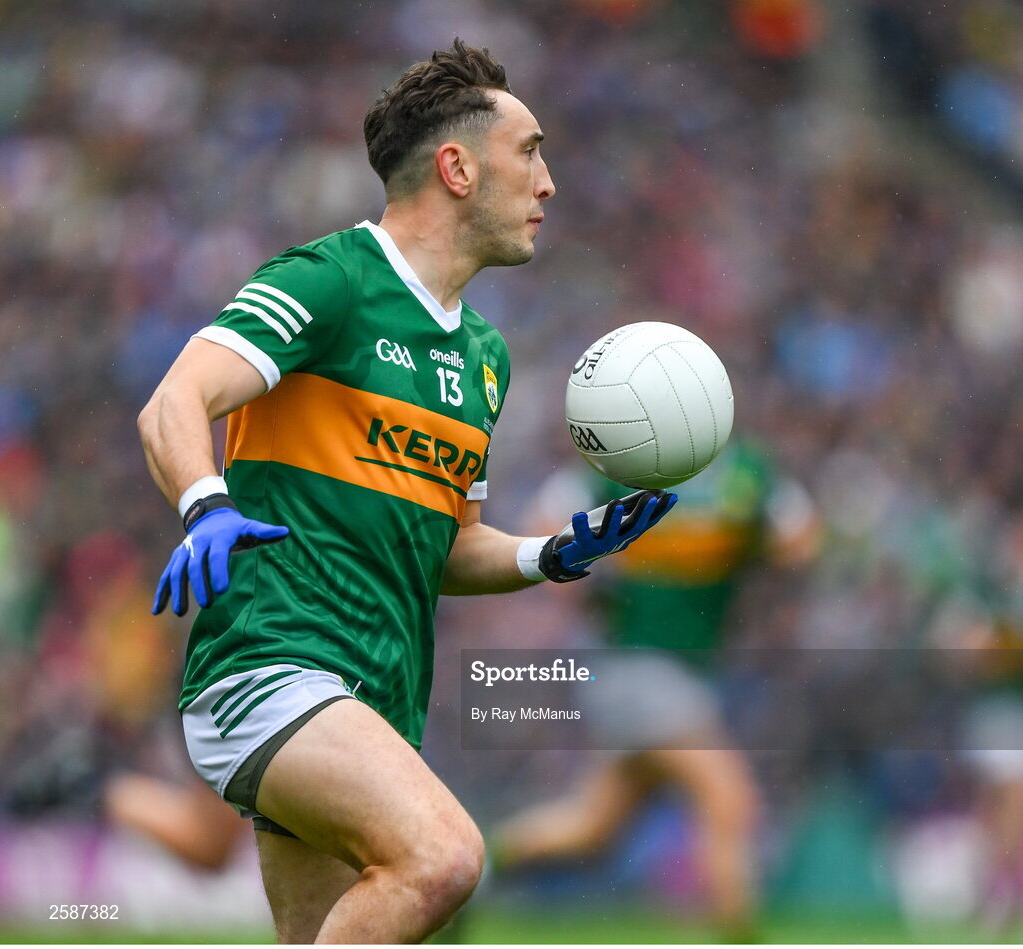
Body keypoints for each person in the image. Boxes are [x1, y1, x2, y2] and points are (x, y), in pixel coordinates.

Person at [137, 39, 676, 944]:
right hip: (270, 666)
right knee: (446, 857)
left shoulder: (485, 360)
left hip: (375, 699)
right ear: (457, 167)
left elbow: (449, 547)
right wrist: (205, 504)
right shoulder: (331, 280)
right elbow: (173, 400)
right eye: (531, 151)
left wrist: (552, 553)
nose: (548, 184)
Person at [491, 438, 819, 941]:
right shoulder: (628, 469)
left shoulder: (745, 472)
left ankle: (479, 865)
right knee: (729, 801)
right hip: (638, 666)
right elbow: (541, 528)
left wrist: (744, 541)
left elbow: (801, 543)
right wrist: (598, 570)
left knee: (592, 830)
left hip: (676, 672)